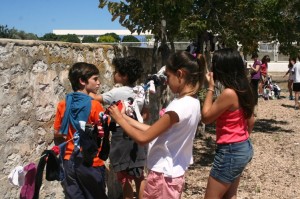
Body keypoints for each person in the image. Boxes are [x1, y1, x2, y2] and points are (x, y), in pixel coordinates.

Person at [107, 51, 205, 199]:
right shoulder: (193, 102)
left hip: (163, 176)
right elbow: (154, 130)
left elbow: (143, 138)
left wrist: (119, 120)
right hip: (173, 174)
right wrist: (125, 118)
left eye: (168, 76)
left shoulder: (177, 107)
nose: (166, 80)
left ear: (180, 74)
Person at [90, 56, 149, 199]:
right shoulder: (141, 91)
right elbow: (146, 114)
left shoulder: (116, 92)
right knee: (139, 174)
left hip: (121, 136)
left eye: (116, 71)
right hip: (137, 133)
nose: (113, 74)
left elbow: (94, 98)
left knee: (124, 176)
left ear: (124, 76)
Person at [201, 48, 255, 199]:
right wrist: (241, 139)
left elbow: (206, 117)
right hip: (243, 147)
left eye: (214, 65)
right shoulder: (244, 88)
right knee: (229, 195)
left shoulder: (229, 93)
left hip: (230, 151)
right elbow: (251, 120)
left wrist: (210, 87)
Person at [53, 62, 108, 199]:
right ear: (82, 81)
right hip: (91, 161)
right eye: (95, 79)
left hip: (69, 161)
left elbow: (57, 133)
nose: (98, 83)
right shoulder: (95, 105)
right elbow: (103, 133)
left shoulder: (63, 104)